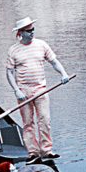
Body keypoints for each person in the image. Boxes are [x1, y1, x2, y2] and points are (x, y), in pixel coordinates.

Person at [5, 16, 70, 161]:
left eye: (33, 29)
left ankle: (47, 150)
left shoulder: (41, 45)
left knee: (45, 120)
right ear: (20, 33)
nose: (32, 33)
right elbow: (9, 73)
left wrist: (63, 73)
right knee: (28, 123)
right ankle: (32, 152)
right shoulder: (13, 50)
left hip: (41, 89)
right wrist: (16, 90)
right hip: (23, 91)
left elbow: (54, 61)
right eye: (28, 31)